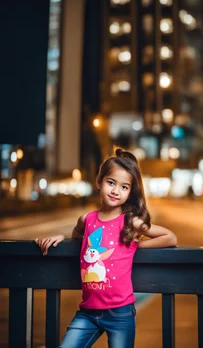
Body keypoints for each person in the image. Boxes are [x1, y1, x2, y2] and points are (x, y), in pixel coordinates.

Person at [35, 147, 177, 348]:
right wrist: (61, 238)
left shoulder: (130, 222)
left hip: (120, 313)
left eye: (124, 187)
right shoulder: (87, 220)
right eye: (111, 183)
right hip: (88, 312)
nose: (115, 191)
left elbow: (170, 237)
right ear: (99, 181)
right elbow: (78, 237)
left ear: (130, 192)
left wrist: (136, 245)